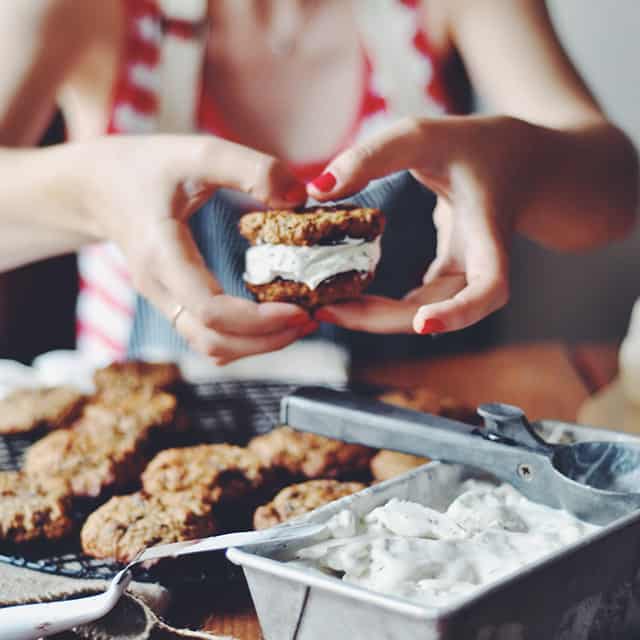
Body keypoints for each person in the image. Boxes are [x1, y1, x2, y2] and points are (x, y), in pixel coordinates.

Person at [0, 0, 636, 366]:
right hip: (148, 436)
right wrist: (93, 187)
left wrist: (520, 160)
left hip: (412, 439)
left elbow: (616, 196)